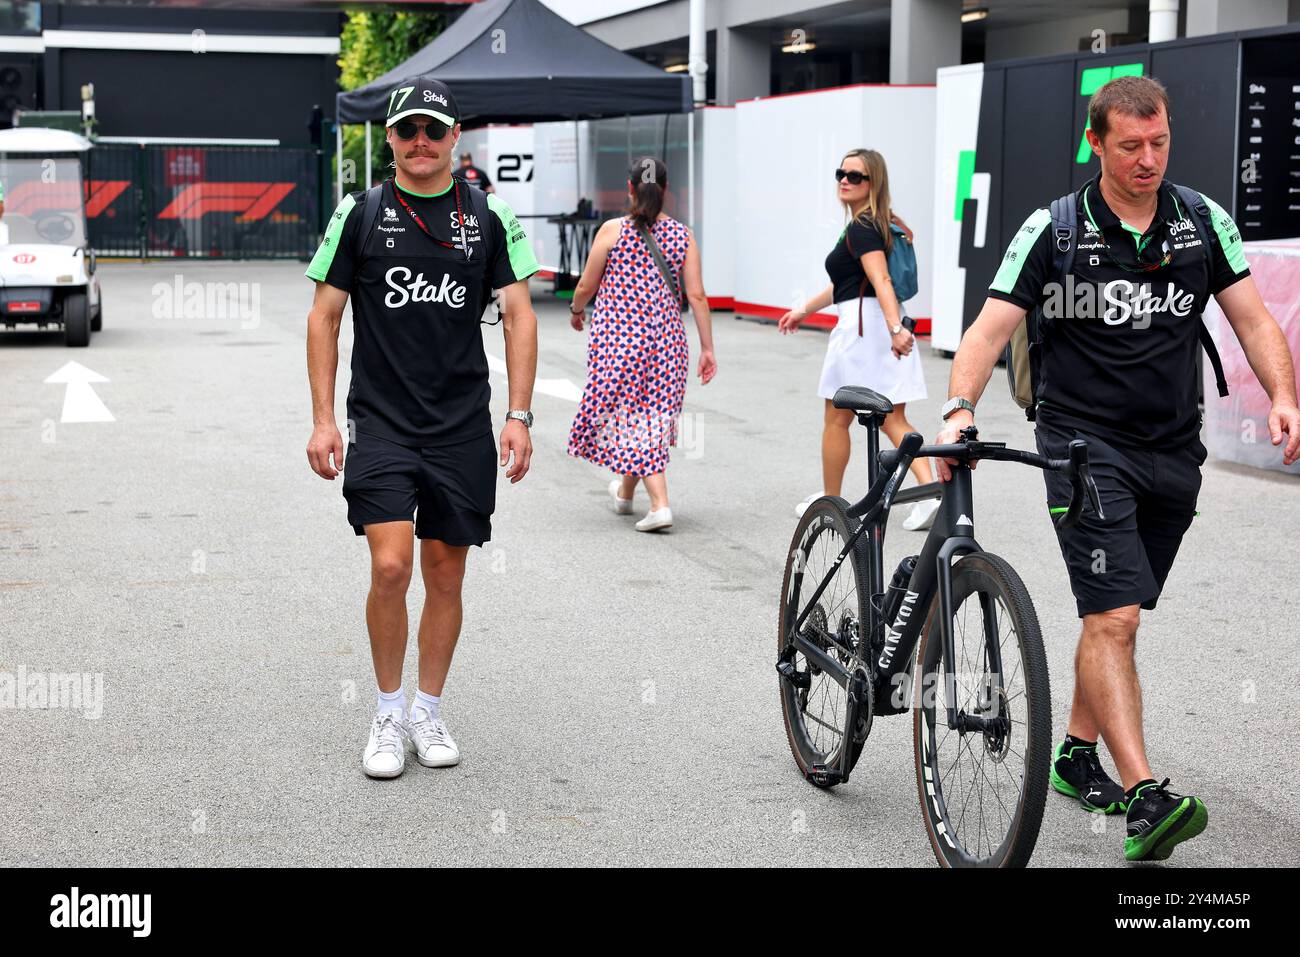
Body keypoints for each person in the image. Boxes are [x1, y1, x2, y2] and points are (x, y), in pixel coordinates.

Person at [934, 75, 1299, 861]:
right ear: (1095, 143)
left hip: (1174, 451)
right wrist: (958, 406)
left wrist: (1285, 396)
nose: (1148, 158)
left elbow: (1254, 319)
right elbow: (989, 329)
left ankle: (1073, 752)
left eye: (1159, 142)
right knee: (1115, 617)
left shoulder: (1204, 221)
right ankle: (1144, 795)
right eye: (1130, 145)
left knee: (1121, 609)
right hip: (1082, 446)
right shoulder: (1054, 230)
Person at [304, 76, 541, 779]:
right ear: (390, 139)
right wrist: (324, 419)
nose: (420, 143)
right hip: (381, 422)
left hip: (461, 425)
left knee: (445, 571)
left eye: (433, 131)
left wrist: (519, 415)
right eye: (407, 130)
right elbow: (324, 315)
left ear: (454, 138)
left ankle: (427, 708)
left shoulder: (490, 216)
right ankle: (386, 709)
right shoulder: (361, 212)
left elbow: (522, 313)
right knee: (389, 564)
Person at [778, 148, 938, 531]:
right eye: (841, 173)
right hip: (879, 322)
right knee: (893, 417)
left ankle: (831, 499)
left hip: (865, 328)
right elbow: (844, 286)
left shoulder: (863, 228)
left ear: (873, 183)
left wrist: (896, 330)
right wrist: (803, 310)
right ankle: (931, 492)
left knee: (836, 417)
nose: (845, 180)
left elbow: (880, 279)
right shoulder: (881, 224)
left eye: (856, 176)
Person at [566, 156, 717, 531]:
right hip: (668, 344)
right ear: (666, 191)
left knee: (634, 418)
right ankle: (624, 494)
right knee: (650, 418)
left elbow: (586, 284)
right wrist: (708, 348)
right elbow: (697, 296)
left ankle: (660, 503)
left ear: (630, 188)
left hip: (619, 342)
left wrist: (576, 309)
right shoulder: (683, 235)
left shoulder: (613, 231)